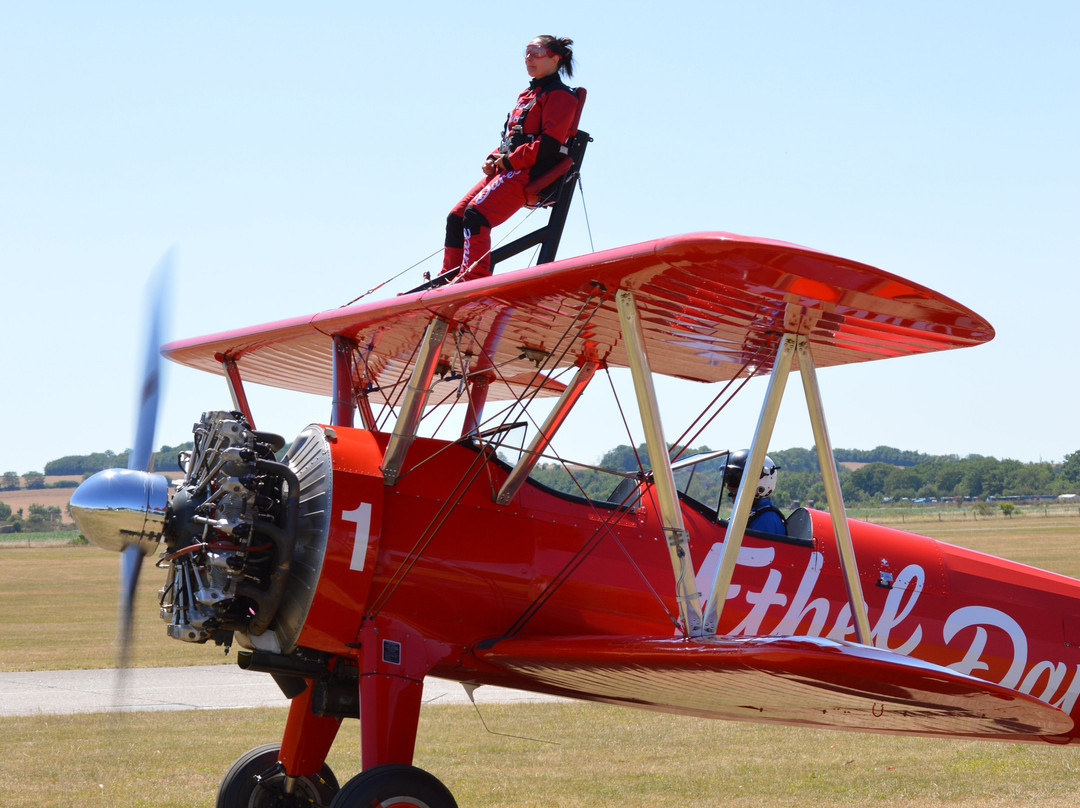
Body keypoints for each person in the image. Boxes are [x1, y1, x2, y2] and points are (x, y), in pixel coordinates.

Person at [440, 36, 580, 284]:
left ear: (555, 58)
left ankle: (473, 276)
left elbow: (548, 144)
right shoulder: (527, 94)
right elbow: (512, 139)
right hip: (509, 167)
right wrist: (493, 158)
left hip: (531, 170)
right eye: (526, 52)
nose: (529, 58)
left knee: (476, 214)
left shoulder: (561, 96)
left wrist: (508, 162)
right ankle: (447, 277)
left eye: (536, 52)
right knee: (456, 217)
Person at [723, 450, 786, 534]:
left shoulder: (766, 519)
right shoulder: (749, 514)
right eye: (727, 480)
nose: (728, 487)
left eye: (734, 480)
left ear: (760, 482)